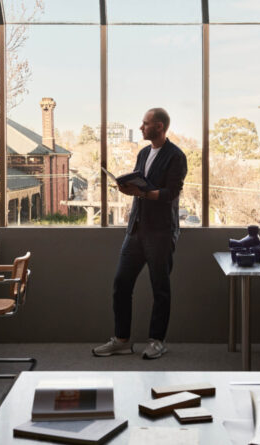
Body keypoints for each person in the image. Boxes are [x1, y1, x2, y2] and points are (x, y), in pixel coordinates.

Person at [92, 108, 187, 359]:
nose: (141, 127)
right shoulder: (144, 152)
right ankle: (122, 340)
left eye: (145, 124)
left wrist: (142, 193)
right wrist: (129, 189)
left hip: (161, 232)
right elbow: (141, 185)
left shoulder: (176, 156)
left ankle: (157, 340)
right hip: (136, 229)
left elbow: (170, 194)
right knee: (121, 284)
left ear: (159, 126)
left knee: (160, 288)